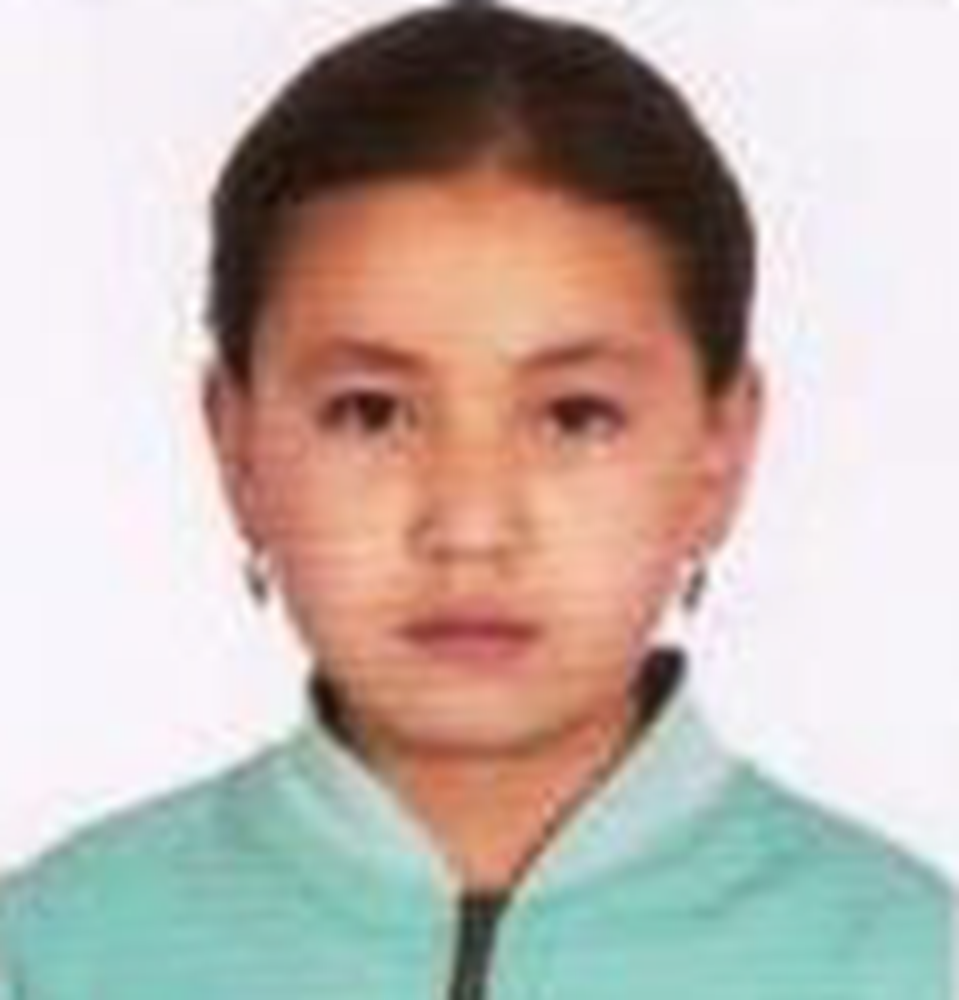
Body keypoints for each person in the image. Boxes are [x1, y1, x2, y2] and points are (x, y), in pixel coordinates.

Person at [0, 2, 952, 997]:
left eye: (575, 416)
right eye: (369, 413)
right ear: (236, 446)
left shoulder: (907, 961)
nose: (468, 527)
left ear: (719, 452)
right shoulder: (57, 951)